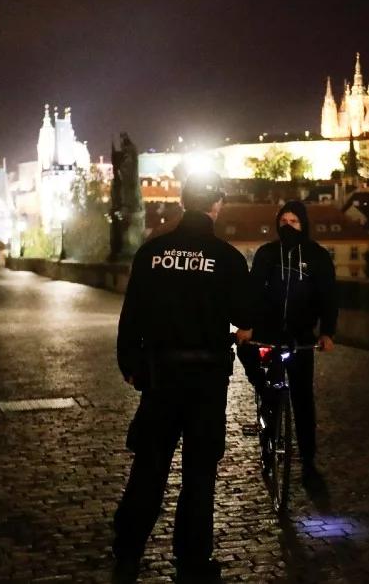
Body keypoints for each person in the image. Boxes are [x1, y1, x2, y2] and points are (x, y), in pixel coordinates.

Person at [113, 171, 252, 582]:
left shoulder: (152, 253)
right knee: (199, 473)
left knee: (150, 467)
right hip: (207, 380)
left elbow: (131, 317)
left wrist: (132, 367)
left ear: (182, 202)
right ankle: (192, 560)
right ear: (217, 205)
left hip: (160, 376)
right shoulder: (226, 258)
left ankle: (128, 548)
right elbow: (244, 318)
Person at [238, 200, 337, 481]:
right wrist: (247, 327)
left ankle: (308, 460)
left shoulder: (317, 256)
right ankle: (267, 438)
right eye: (284, 222)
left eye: (294, 222)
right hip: (268, 334)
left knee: (303, 401)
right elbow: (254, 291)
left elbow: (329, 296)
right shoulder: (267, 253)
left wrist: (328, 332)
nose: (288, 227)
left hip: (301, 337)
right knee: (267, 387)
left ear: (303, 225)